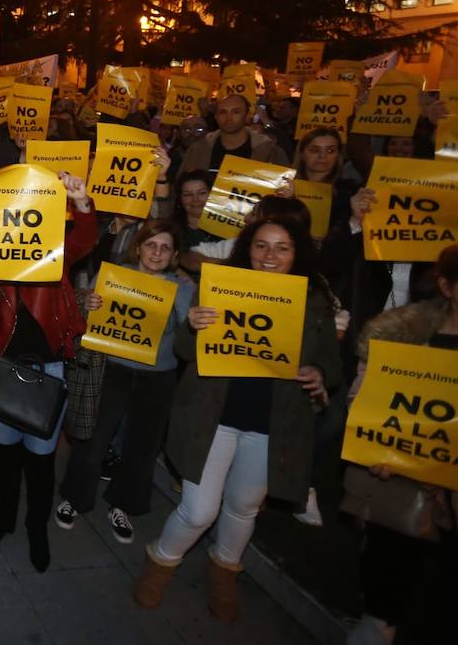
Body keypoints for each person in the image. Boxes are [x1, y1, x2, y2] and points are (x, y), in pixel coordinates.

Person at [134, 215, 341, 621]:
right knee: (197, 510)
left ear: (297, 253)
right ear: (247, 248)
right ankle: (161, 560)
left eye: (282, 247)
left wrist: (319, 374)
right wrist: (192, 328)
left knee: (244, 506)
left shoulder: (314, 299)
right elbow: (183, 352)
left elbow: (331, 367)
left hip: (273, 425)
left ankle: (224, 570)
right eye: (261, 245)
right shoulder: (219, 287)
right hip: (214, 417)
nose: (270, 256)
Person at [0, 172, 97, 571]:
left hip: (50, 371)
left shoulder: (56, 253)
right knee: (5, 457)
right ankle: (5, 520)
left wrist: (81, 202)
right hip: (4, 373)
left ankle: (36, 529)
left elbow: (83, 241)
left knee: (41, 463)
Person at [345, 244, 458, 644]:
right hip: (398, 489)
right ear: (447, 285)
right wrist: (378, 447)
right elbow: (367, 400)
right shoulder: (399, 336)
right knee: (388, 586)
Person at [56, 220, 194, 545]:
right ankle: (75, 498)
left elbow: (190, 336)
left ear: (174, 254)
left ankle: (123, 504)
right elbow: (86, 320)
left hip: (158, 376)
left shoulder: (184, 288)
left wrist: (179, 305)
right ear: (139, 247)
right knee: (93, 438)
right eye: (151, 245)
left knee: (142, 447)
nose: (156, 252)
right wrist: (88, 304)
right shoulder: (114, 276)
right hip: (112, 368)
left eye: (164, 247)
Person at [177, 94, 289, 177]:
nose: (229, 118)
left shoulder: (270, 151)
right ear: (216, 117)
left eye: (236, 112)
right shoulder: (198, 150)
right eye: (223, 112)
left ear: (247, 115)